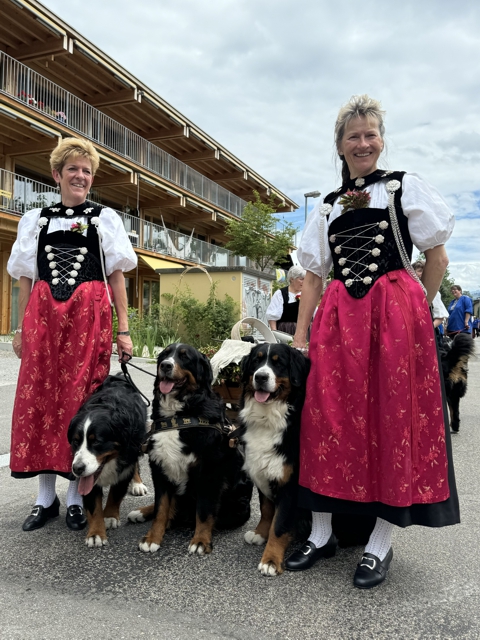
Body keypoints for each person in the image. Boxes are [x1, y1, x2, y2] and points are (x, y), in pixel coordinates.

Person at [287, 94, 459, 589]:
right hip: (339, 322)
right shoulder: (325, 206)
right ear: (339, 146)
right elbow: (315, 277)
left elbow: (438, 259)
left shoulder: (404, 188)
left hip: (392, 323)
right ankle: (322, 536)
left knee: (392, 420)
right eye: (353, 136)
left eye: (370, 134)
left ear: (381, 141)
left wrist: (411, 308)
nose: (363, 143)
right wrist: (300, 336)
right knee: (326, 420)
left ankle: (379, 545)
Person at [8, 137, 137, 532]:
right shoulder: (37, 219)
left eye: (86, 170)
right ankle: (44, 498)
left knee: (80, 401)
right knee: (40, 398)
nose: (80, 175)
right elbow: (25, 279)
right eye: (73, 169)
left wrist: (124, 331)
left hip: (88, 319)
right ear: (57, 174)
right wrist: (20, 327)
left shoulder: (104, 219)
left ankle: (76, 498)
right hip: (44, 318)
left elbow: (117, 279)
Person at [413, 260, 448, 345]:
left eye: (425, 271)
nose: (423, 274)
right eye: (420, 271)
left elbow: (440, 317)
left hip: (428, 334)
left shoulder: (432, 291)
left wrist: (426, 329)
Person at [265, 265, 305, 335]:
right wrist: (275, 334)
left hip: (303, 331)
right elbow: (272, 317)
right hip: (285, 331)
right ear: (292, 279)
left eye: (305, 279)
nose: (304, 282)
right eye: (301, 279)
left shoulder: (307, 294)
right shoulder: (280, 294)